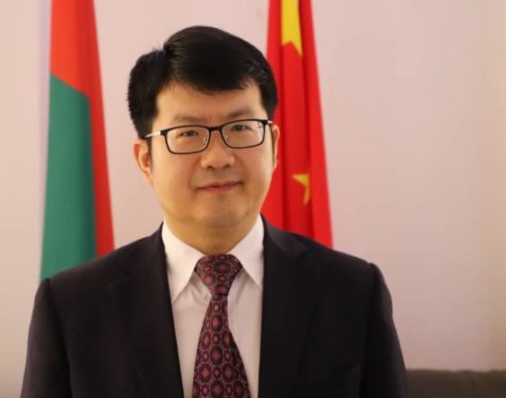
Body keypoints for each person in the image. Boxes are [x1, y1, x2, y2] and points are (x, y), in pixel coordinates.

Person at [21, 26, 407, 398]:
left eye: (240, 127)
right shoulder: (73, 307)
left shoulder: (354, 292)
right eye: (189, 134)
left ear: (273, 146)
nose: (218, 158)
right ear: (145, 160)